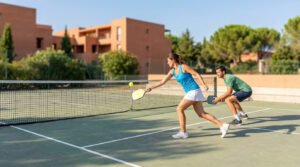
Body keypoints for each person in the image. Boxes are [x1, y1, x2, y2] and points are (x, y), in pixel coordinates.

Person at [146, 53, 230, 139]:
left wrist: (203, 84)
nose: (167, 63)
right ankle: (222, 125)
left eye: (168, 61)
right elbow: (162, 82)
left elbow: (196, 74)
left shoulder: (184, 67)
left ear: (173, 60)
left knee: (179, 109)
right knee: (201, 114)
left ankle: (183, 132)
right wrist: (151, 87)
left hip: (194, 91)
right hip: (191, 92)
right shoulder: (172, 72)